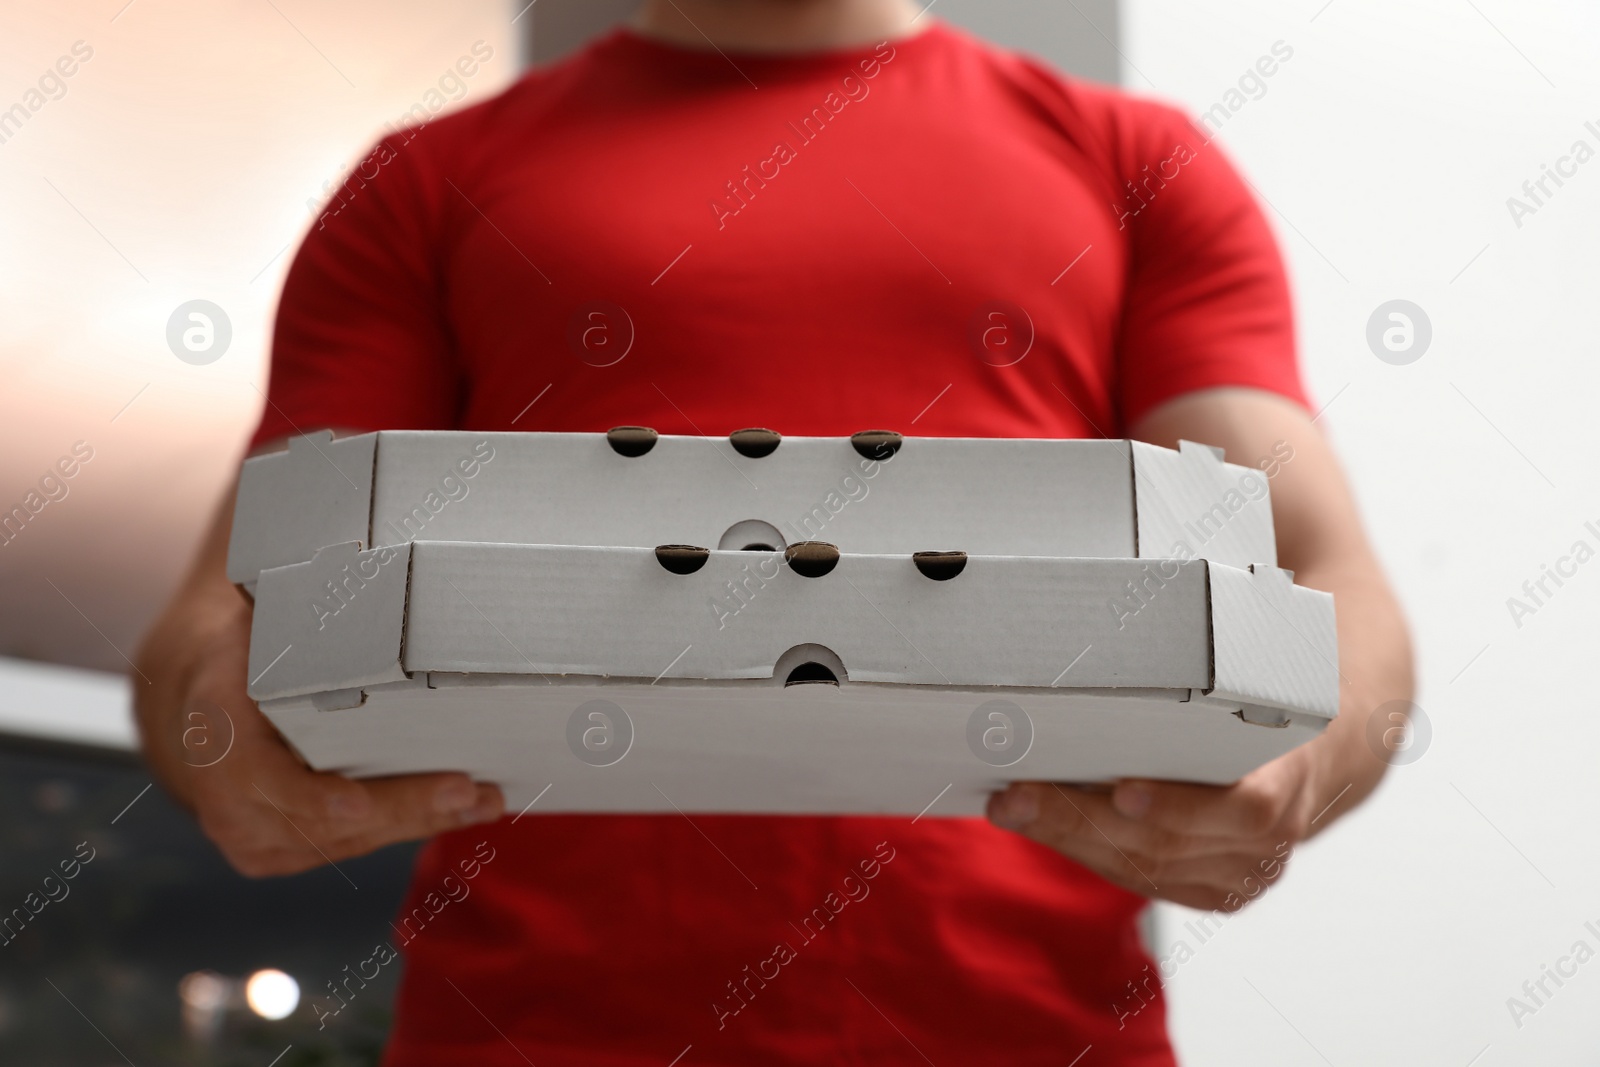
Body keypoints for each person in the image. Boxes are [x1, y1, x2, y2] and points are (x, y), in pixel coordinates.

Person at [134, 0, 1414, 1062]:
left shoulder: (1141, 162)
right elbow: (222, 608)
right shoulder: (420, 185)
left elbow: (1317, 563)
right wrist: (215, 737)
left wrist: (1297, 770)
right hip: (529, 1031)